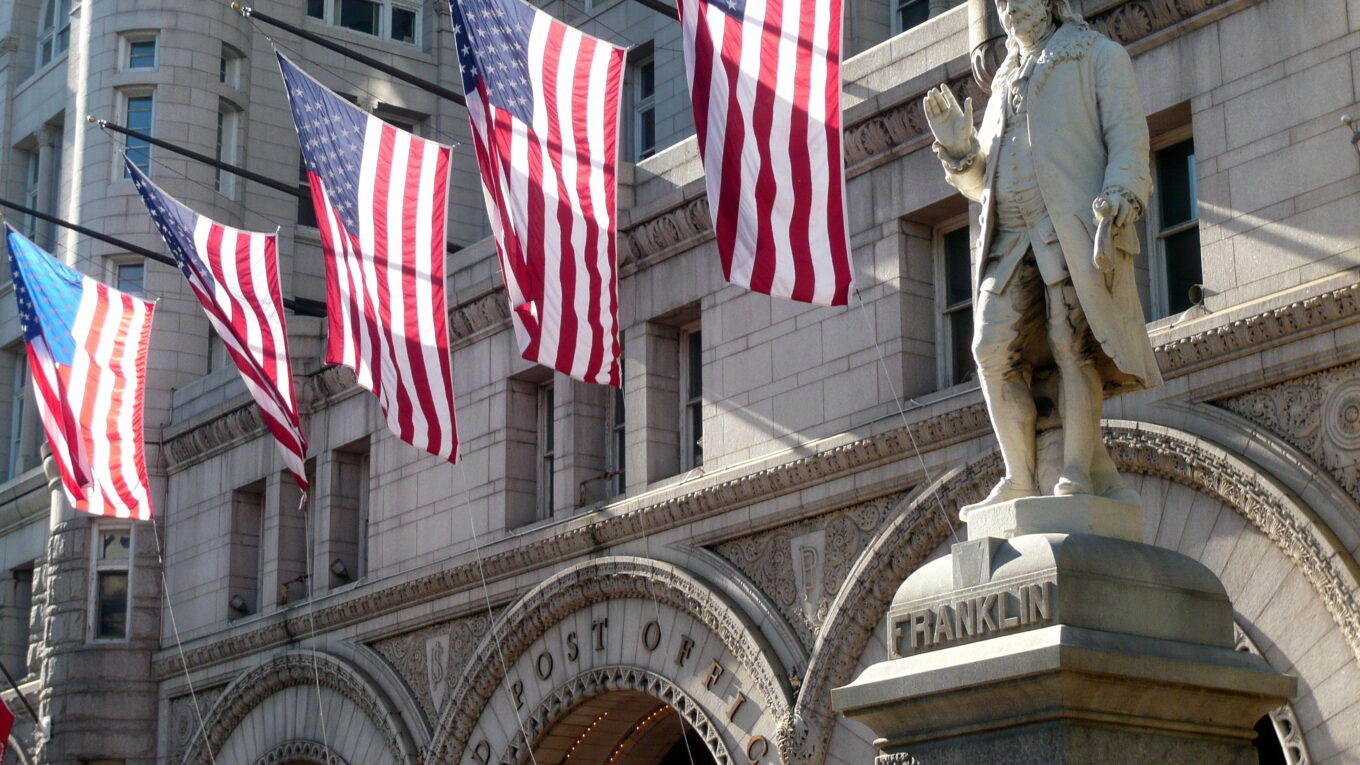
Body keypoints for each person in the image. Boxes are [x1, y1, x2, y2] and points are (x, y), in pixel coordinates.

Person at [923, 0, 1163, 505]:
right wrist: (958, 149)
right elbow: (977, 182)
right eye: (1003, 4)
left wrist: (1122, 193)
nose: (1010, 11)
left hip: (1070, 229)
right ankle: (1020, 476)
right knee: (989, 350)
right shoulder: (1004, 79)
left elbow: (1127, 137)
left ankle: (1076, 470)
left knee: (1072, 344)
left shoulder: (1096, 55)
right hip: (1010, 240)